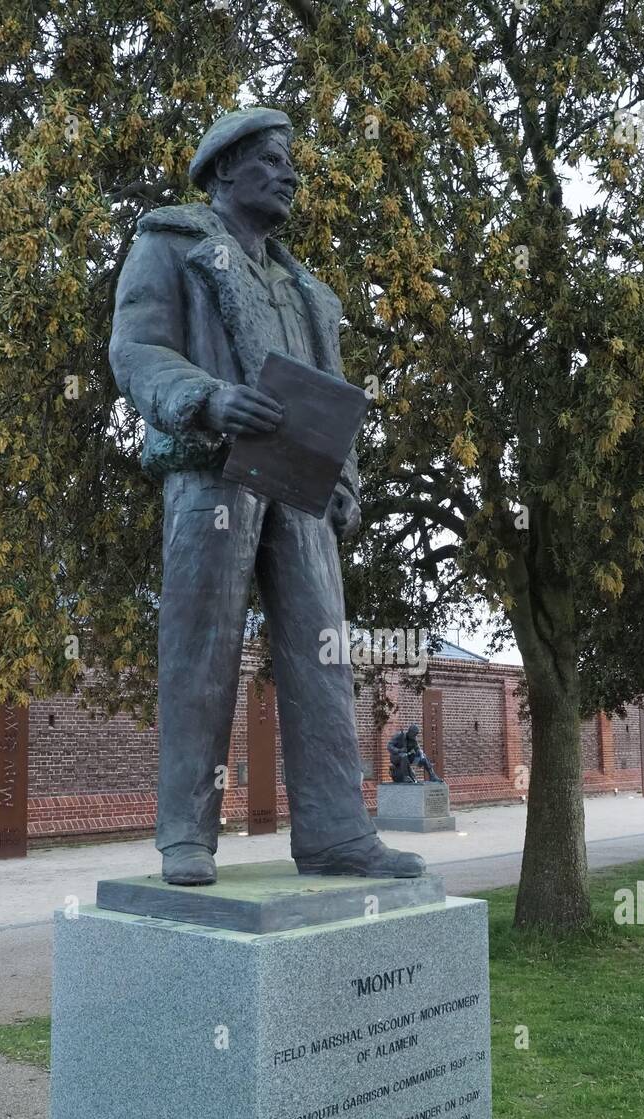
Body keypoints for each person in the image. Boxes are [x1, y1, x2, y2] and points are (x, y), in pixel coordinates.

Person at [109, 107, 425, 885]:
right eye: (272, 161)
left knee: (321, 656)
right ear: (223, 171)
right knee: (199, 651)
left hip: (300, 489)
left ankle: (334, 834)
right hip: (210, 474)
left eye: (290, 163)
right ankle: (186, 832)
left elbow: (328, 394)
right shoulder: (171, 245)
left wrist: (345, 481)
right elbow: (135, 348)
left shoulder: (305, 289)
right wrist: (208, 398)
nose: (289, 175)